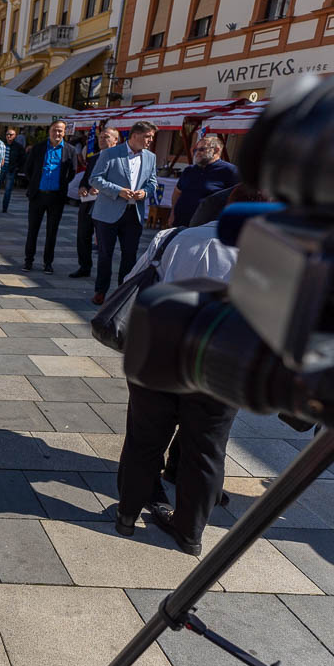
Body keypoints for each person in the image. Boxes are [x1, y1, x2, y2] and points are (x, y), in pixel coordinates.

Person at [115, 189, 244, 555]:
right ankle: (189, 534)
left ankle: (126, 516)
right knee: (206, 451)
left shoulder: (174, 237)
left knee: (144, 439)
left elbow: (133, 280)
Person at [88, 120, 159, 304]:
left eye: (152, 137)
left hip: (133, 213)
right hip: (108, 212)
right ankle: (100, 291)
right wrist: (118, 191)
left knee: (130, 255)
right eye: (147, 136)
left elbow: (153, 182)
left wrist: (145, 192)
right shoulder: (110, 153)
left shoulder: (150, 157)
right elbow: (95, 179)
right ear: (135, 135)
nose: (150, 140)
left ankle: (123, 292)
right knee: (105, 254)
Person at [22, 120, 78, 274]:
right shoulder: (38, 148)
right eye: (54, 130)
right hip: (38, 195)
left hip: (56, 197)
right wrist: (35, 182)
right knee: (32, 230)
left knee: (52, 232)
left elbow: (72, 172)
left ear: (64, 132)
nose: (57, 133)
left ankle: (48, 263)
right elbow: (28, 169)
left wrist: (60, 185)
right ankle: (28, 261)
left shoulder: (70, 150)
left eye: (60, 130)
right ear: (49, 131)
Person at [71, 126, 121, 279]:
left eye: (106, 137)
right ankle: (84, 266)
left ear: (115, 140)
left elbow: (121, 183)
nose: (102, 140)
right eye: (100, 137)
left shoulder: (120, 160)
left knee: (103, 241)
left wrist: (102, 190)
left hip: (107, 205)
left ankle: (103, 273)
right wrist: (82, 188)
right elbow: (86, 179)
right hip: (88, 203)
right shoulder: (94, 158)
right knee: (83, 235)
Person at [170, 135, 239, 227]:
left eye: (202, 149)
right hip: (180, 223)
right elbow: (177, 192)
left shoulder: (230, 171)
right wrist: (172, 213)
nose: (197, 153)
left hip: (205, 226)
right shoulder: (189, 170)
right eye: (195, 150)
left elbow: (235, 198)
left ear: (216, 150)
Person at [0, 127, 24, 214]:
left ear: (15, 136)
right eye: (7, 134)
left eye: (11, 135)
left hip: (11, 169)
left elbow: (22, 158)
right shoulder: (1, 144)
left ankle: (4, 208)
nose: (9, 136)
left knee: (8, 190)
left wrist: (17, 167)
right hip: (1, 168)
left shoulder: (18, 147)